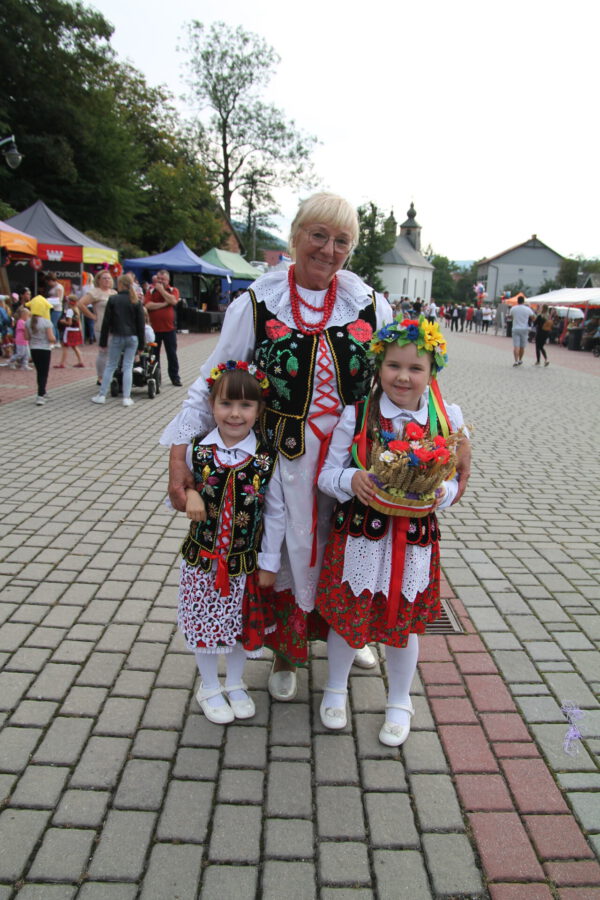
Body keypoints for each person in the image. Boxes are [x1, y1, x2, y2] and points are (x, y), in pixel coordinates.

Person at [163, 192, 472, 702]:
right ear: (296, 236)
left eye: (341, 241)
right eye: (319, 236)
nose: (329, 250)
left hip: (354, 458)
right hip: (282, 460)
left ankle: (348, 633)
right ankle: (286, 650)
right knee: (289, 551)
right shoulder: (258, 302)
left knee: (347, 548)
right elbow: (211, 380)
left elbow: (409, 369)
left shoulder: (369, 303)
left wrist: (445, 429)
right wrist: (179, 453)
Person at [315, 316, 467, 745]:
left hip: (414, 540)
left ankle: (400, 699)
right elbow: (326, 475)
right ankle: (335, 688)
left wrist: (443, 493)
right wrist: (351, 480)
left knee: (404, 621)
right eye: (394, 365)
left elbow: (459, 478)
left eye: (416, 368)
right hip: (361, 535)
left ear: (432, 372)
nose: (403, 377)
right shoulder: (358, 413)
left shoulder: (447, 417)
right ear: (379, 366)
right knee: (349, 613)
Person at [177, 362, 284, 724]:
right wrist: (190, 493)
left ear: (259, 409)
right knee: (204, 622)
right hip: (202, 561)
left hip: (244, 563)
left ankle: (236, 682)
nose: (235, 414)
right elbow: (178, 492)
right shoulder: (197, 450)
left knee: (238, 625)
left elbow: (276, 513)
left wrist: (269, 562)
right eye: (226, 404)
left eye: (245, 405)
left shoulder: (267, 459)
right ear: (211, 405)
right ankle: (209, 685)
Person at [91, 273, 145, 407]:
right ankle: (127, 397)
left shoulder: (113, 299)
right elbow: (141, 325)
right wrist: (141, 345)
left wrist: (103, 342)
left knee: (110, 366)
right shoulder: (136, 301)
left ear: (120, 284)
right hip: (133, 337)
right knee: (128, 367)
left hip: (117, 336)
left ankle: (102, 395)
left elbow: (106, 322)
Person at [77, 270, 117, 384]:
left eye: (109, 278)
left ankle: (111, 374)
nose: (107, 280)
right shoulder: (95, 292)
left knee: (113, 352)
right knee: (104, 351)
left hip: (114, 326)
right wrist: (92, 316)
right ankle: (101, 377)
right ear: (98, 280)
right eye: (104, 278)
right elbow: (80, 304)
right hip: (101, 326)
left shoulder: (114, 293)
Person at [144, 269, 182, 386]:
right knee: (154, 355)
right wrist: (165, 304)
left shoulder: (173, 290)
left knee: (172, 354)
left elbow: (173, 301)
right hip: (154, 329)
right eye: (158, 279)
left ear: (168, 280)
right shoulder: (150, 290)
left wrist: (162, 291)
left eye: (163, 279)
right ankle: (156, 377)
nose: (160, 281)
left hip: (169, 329)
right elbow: (148, 305)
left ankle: (175, 377)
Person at [26, 311, 56, 405]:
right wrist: (54, 339)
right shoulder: (46, 322)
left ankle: (43, 391)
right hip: (44, 349)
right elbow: (51, 338)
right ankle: (40, 395)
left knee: (39, 371)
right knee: (43, 373)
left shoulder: (28, 322)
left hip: (33, 348)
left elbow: (26, 337)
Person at [54, 296, 85, 368]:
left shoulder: (70, 310)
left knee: (65, 346)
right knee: (74, 346)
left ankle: (62, 363)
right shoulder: (76, 309)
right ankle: (81, 361)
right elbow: (78, 321)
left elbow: (69, 323)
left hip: (69, 330)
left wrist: (62, 321)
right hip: (76, 329)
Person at [508, 295, 535, 366]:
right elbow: (533, 317)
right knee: (522, 346)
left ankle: (516, 361)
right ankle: (520, 359)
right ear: (523, 301)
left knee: (516, 346)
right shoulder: (527, 309)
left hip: (515, 328)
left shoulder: (513, 308)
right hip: (524, 329)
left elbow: (511, 317)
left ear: (517, 301)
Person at [45, 272, 64, 340]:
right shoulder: (55, 287)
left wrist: (48, 300)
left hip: (57, 309)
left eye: (48, 282)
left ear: (51, 280)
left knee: (52, 324)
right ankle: (56, 340)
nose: (48, 284)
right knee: (54, 325)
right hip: (53, 308)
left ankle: (54, 339)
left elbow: (59, 299)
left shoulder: (59, 287)